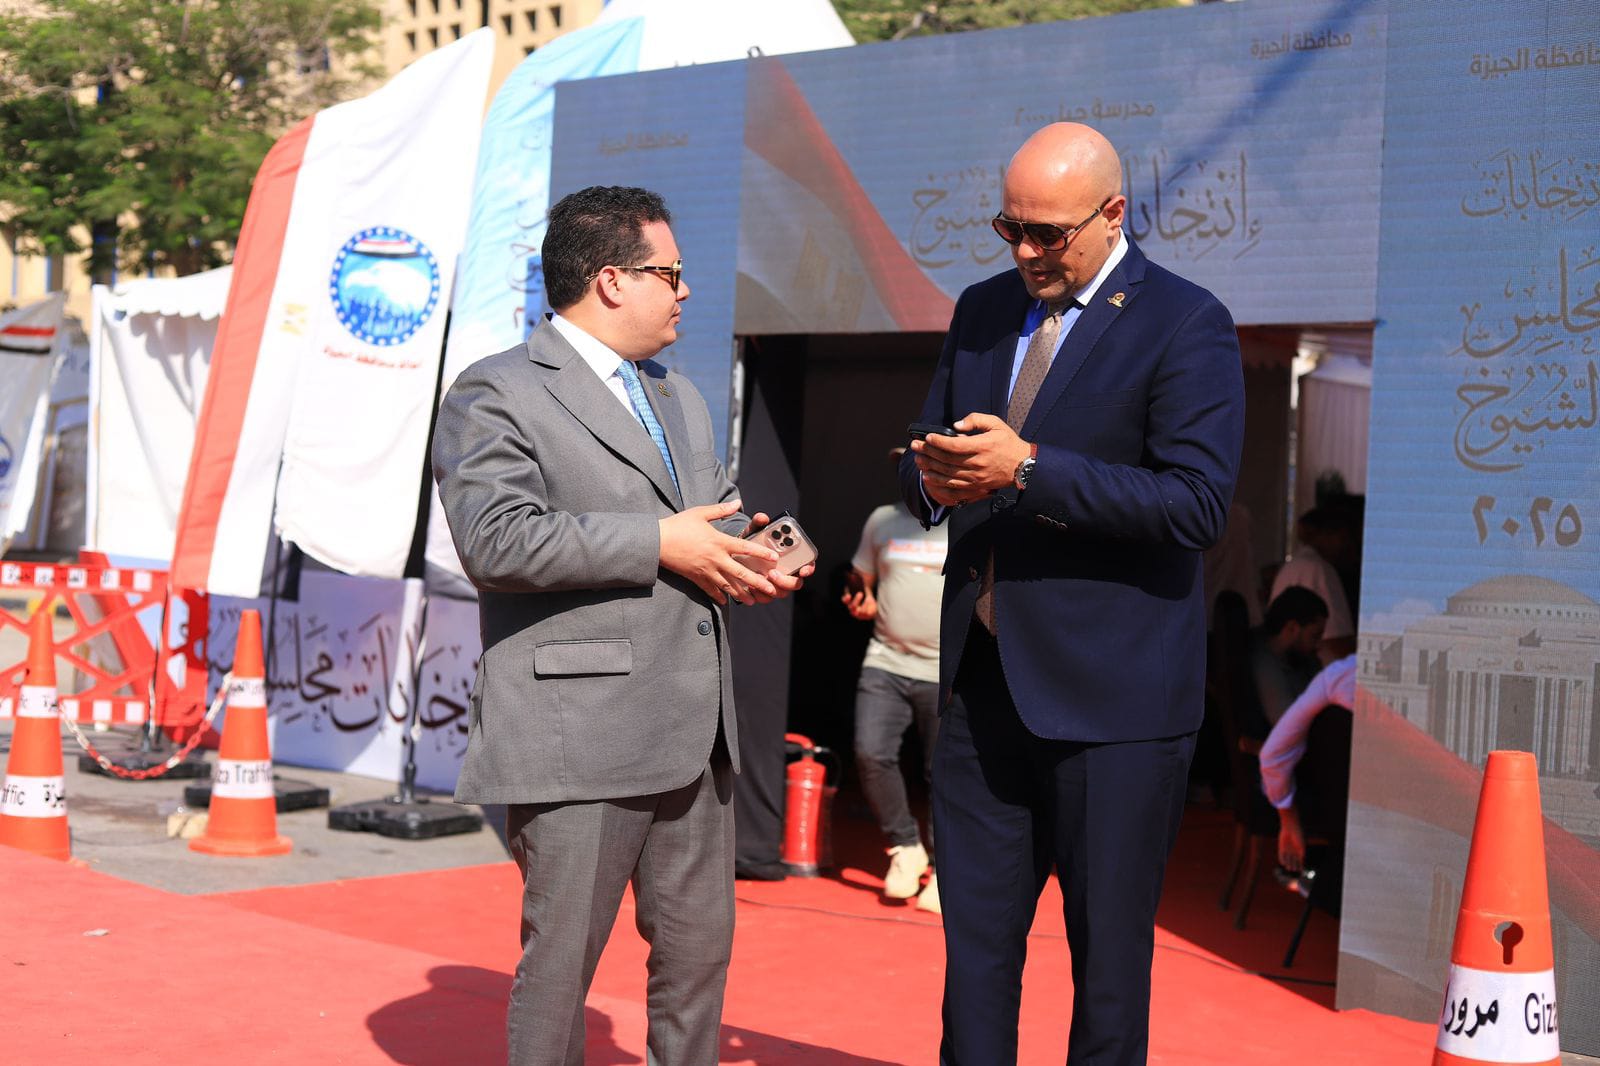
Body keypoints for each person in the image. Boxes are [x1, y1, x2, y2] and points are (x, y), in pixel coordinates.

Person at [432, 185, 811, 1066]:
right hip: (580, 736)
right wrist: (658, 542)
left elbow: (709, 519)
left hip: (697, 735)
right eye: (670, 273)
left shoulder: (680, 396)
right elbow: (495, 540)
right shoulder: (496, 391)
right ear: (611, 279)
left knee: (697, 967)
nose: (686, 291)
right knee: (561, 972)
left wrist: (749, 556)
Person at [901, 123, 1245, 1065]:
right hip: (981, 694)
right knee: (974, 965)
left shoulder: (1186, 321)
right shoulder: (981, 309)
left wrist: (1027, 471)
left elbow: (1196, 503)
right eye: (1009, 227)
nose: (1025, 252)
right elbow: (924, 451)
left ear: (1113, 214)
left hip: (1116, 708)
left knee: (1108, 976)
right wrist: (932, 480)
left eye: (1047, 233)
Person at [842, 448, 948, 913]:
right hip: (886, 659)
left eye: (926, 464)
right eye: (909, 465)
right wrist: (860, 598)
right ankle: (905, 847)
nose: (917, 472)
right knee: (870, 752)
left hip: (946, 669)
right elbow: (860, 578)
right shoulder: (882, 520)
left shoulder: (968, 520)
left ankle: (945, 869)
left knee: (942, 773)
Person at [1259, 653, 1357, 874]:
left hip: (1353, 823)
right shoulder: (1342, 675)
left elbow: (1274, 753)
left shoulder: (1342, 674)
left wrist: (1288, 817)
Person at [1270, 502, 1359, 664]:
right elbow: (1337, 643)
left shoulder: (1295, 565)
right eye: (1343, 538)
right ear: (1326, 534)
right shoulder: (1318, 569)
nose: (1347, 546)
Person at [1250, 585, 1328, 731]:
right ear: (1292, 628)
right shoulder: (1266, 667)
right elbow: (1289, 726)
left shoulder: (1303, 659)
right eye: (1315, 636)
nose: (1318, 645)